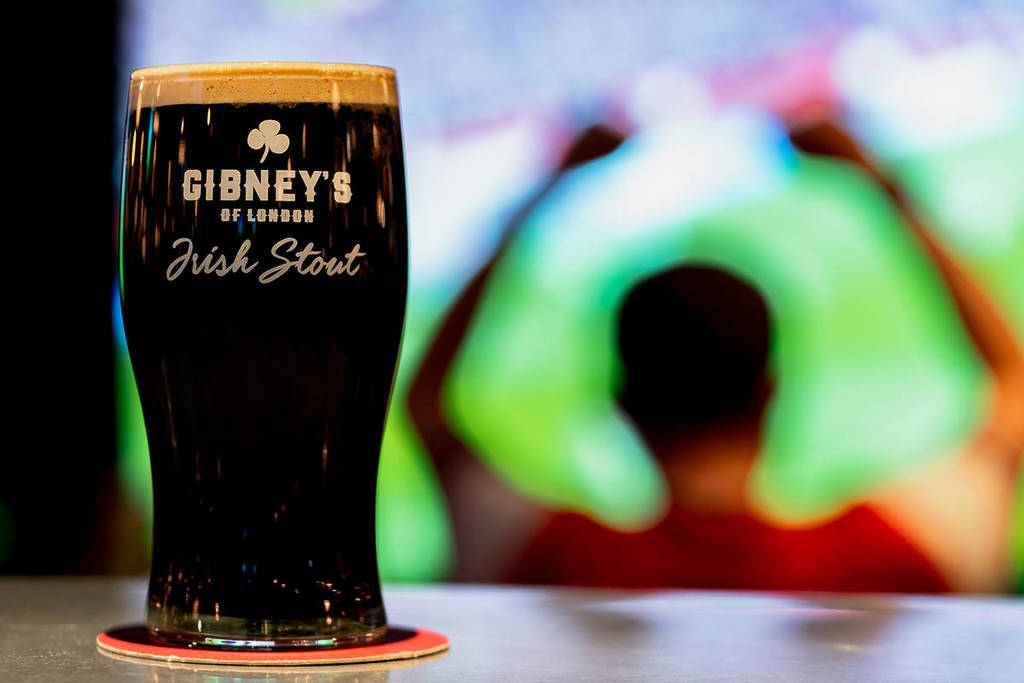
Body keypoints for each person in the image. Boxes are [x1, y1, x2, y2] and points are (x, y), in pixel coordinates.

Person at [408, 120, 1024, 592]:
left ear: (623, 406)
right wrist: (881, 186)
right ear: (772, 390)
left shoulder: (556, 563)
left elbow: (428, 405)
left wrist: (546, 192)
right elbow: (1014, 387)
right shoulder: (888, 556)